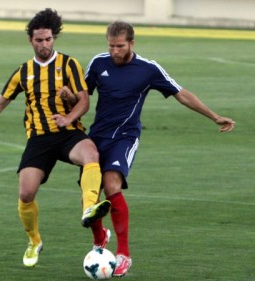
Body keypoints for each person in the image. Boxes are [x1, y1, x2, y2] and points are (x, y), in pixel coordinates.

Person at [65, 20, 235, 277]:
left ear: (132, 43)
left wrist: (213, 116)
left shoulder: (148, 69)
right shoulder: (99, 63)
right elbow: (82, 97)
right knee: (89, 197)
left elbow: (181, 93)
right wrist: (68, 97)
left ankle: (123, 254)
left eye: (120, 46)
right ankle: (100, 238)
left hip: (125, 137)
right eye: (111, 46)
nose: (114, 51)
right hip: (97, 136)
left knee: (112, 185)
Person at [0, 9, 111, 267]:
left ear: (54, 38)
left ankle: (88, 207)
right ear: (31, 41)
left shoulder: (69, 65)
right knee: (26, 193)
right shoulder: (23, 72)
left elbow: (84, 100)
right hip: (39, 138)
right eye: (39, 40)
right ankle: (34, 240)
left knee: (91, 155)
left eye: (48, 39)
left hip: (69, 132)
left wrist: (69, 118)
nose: (44, 44)